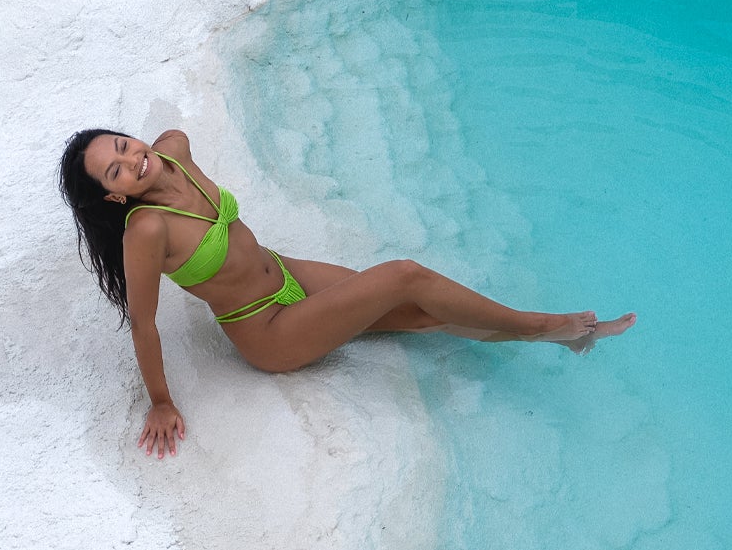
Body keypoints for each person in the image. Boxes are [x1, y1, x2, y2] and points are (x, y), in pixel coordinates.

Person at [59, 127, 637, 458]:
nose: (133, 160)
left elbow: (168, 145)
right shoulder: (146, 230)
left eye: (124, 145)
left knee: (418, 313)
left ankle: (557, 340)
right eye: (115, 172)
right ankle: (542, 326)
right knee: (403, 277)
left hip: (286, 274)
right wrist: (161, 400)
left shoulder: (174, 150)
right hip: (266, 330)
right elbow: (143, 323)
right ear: (114, 198)